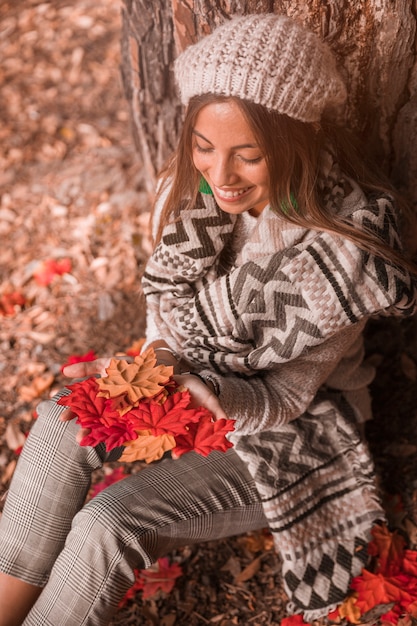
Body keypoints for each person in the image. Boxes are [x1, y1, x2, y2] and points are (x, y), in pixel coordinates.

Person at [0, 13, 416, 626]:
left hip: (292, 428)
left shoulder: (340, 252)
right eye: (204, 147)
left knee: (108, 522)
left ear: (297, 139)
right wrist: (161, 359)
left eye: (249, 156)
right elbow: (164, 311)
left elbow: (290, 396)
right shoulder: (193, 195)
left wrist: (214, 394)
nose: (220, 176)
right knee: (63, 421)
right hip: (193, 385)